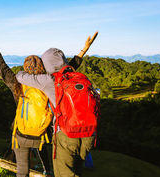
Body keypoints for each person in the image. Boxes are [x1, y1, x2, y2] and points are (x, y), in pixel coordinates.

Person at [0, 28, 96, 177]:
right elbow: (69, 68)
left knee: (22, 169)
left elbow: (2, 69)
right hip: (42, 136)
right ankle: (47, 171)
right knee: (53, 163)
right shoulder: (51, 82)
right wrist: (83, 50)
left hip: (21, 135)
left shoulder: (17, 84)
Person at [16, 32, 98, 177]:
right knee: (78, 170)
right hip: (89, 133)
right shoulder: (74, 77)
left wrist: (29, 70)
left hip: (66, 134)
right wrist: (85, 49)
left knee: (63, 174)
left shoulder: (48, 80)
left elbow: (19, 77)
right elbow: (73, 64)